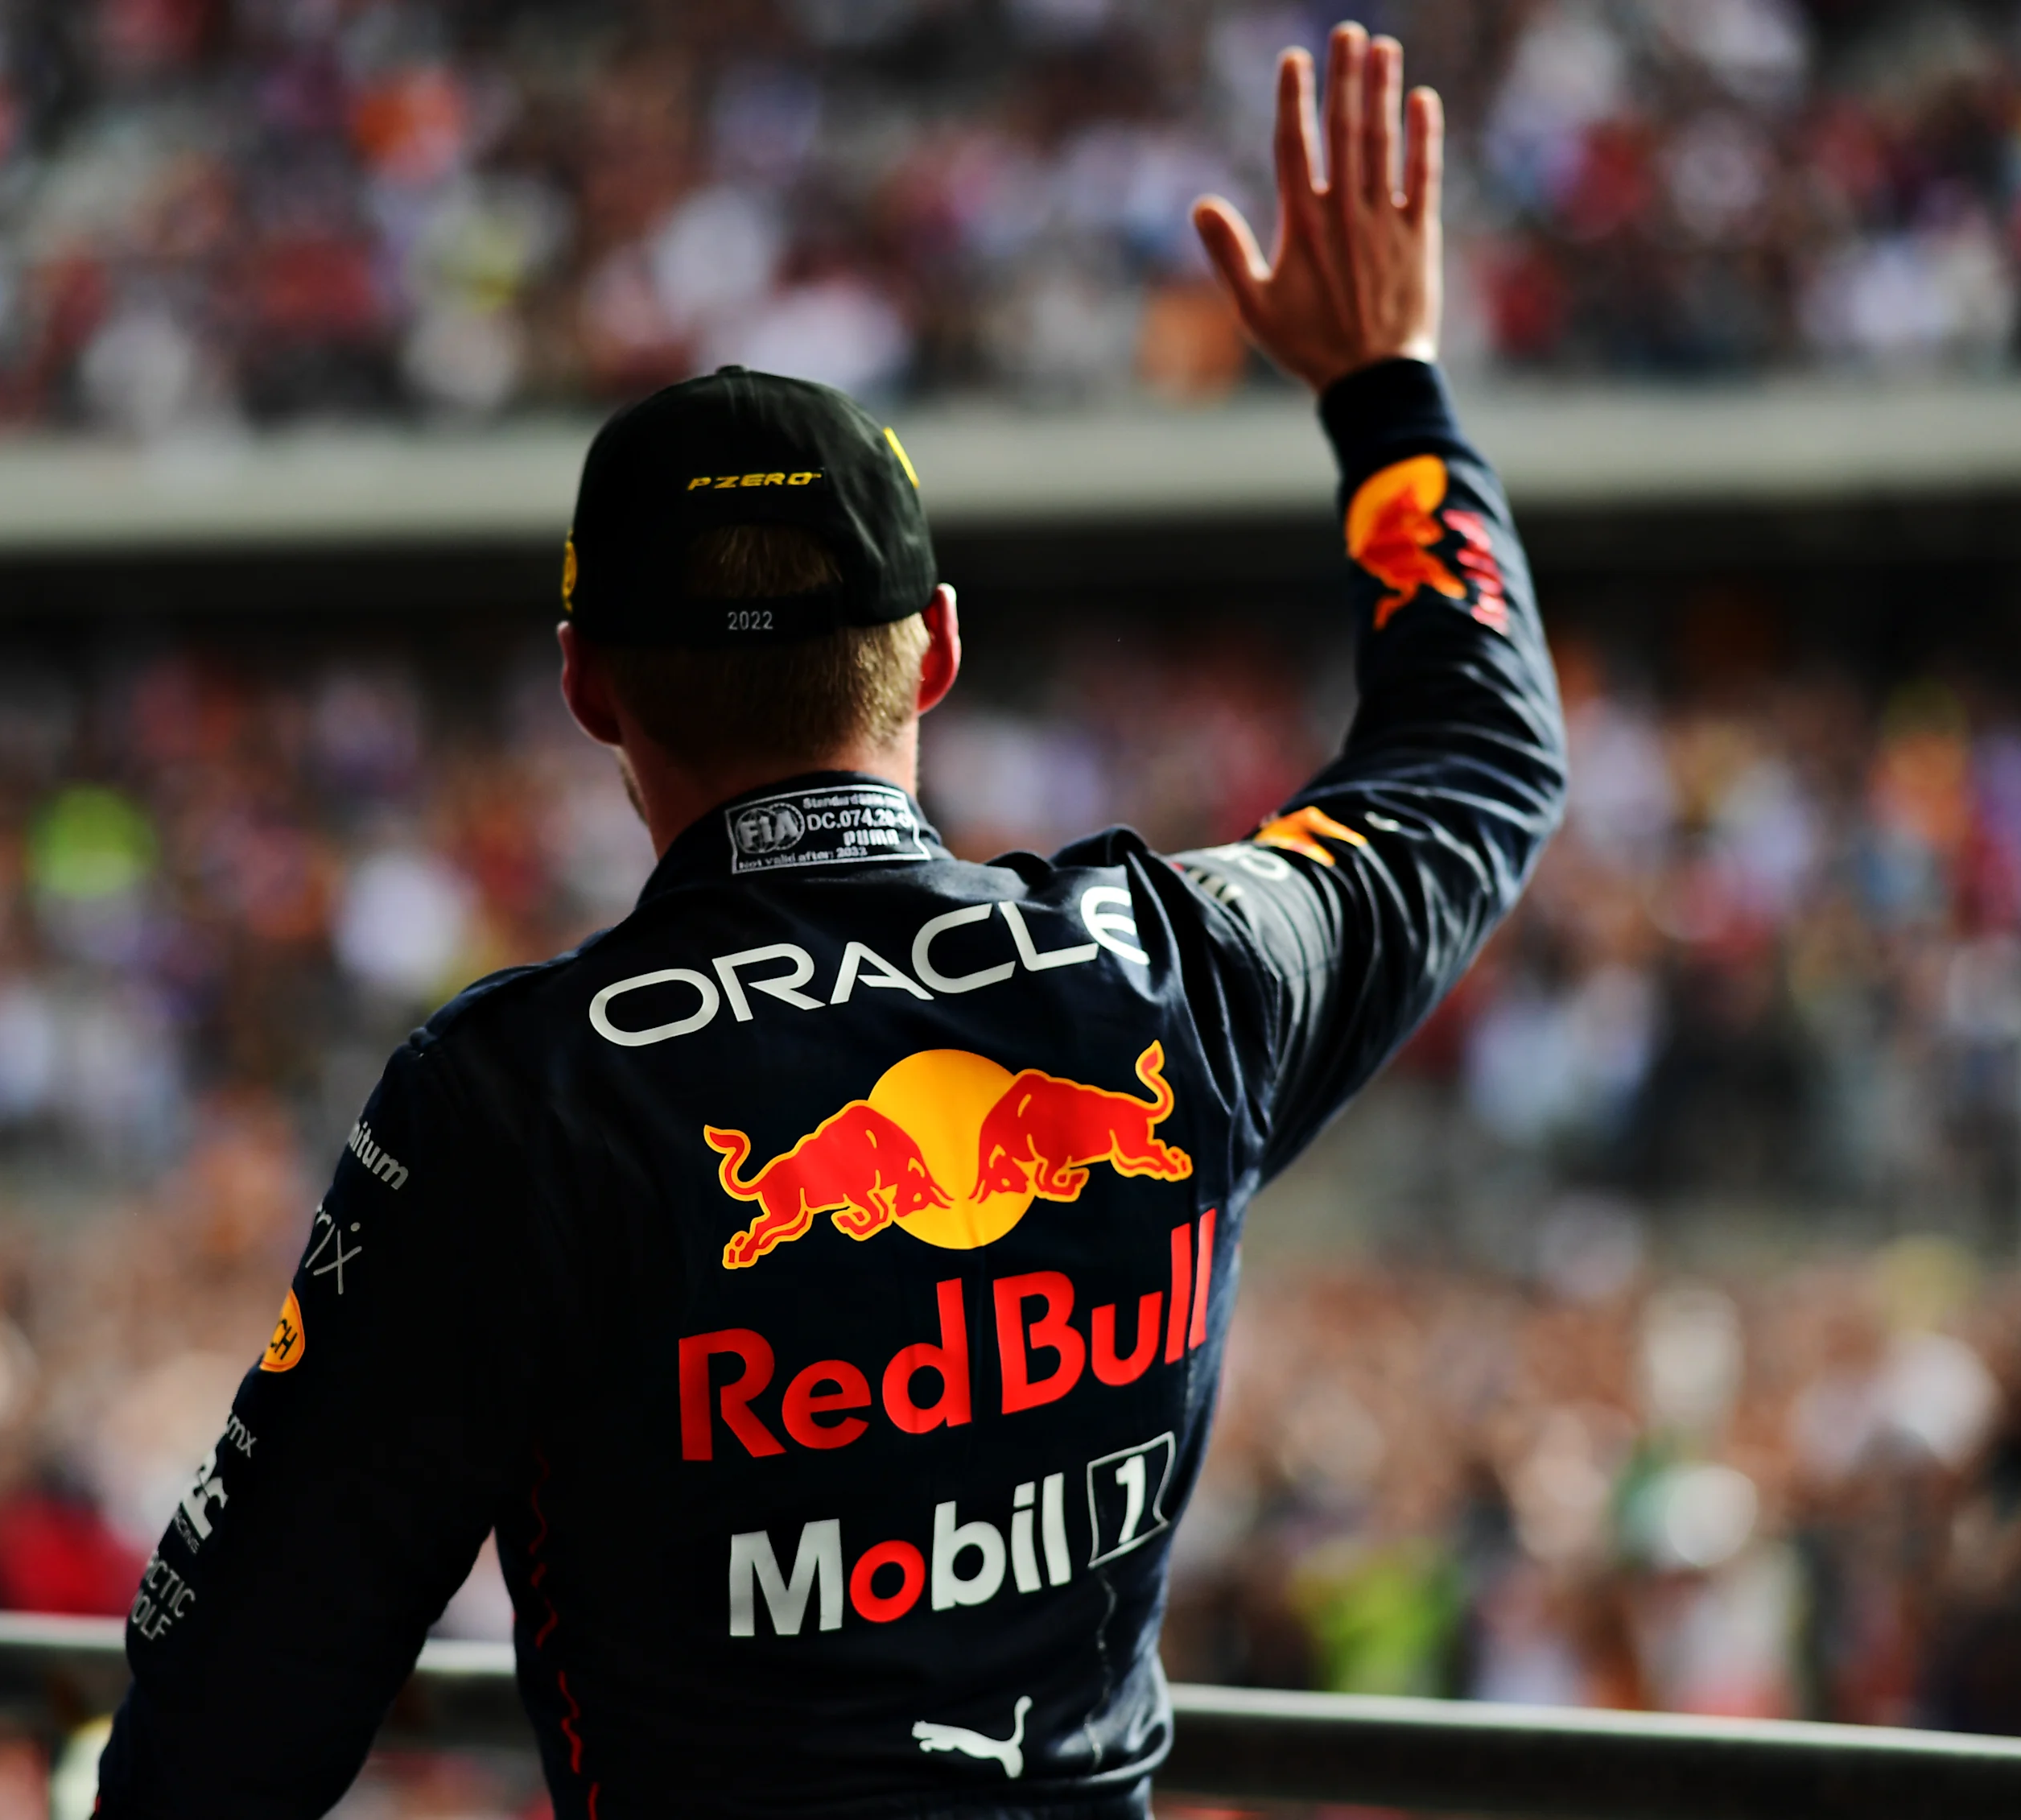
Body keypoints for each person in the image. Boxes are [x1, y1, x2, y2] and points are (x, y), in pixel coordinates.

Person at [96, 24, 1564, 1818]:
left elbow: (233, 1705)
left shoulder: (510, 1100)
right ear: (936, 646)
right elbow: (1477, 754)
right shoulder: (1174, 968)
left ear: (585, 686)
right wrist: (1387, 388)